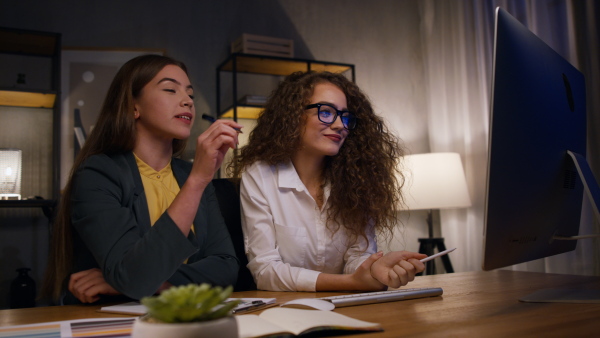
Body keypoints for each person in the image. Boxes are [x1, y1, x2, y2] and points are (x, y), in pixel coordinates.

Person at [42, 54, 243, 304]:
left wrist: (146, 283)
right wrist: (198, 180)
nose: (187, 101)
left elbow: (226, 268)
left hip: (184, 315)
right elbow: (134, 277)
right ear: (132, 106)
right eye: (170, 89)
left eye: (190, 94)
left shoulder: (189, 175)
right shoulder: (98, 173)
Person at [230, 71, 427, 292]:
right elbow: (265, 271)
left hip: (347, 307)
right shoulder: (260, 175)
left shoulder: (358, 179)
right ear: (293, 114)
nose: (339, 125)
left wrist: (374, 269)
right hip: (286, 312)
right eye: (326, 112)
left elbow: (357, 256)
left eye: (345, 116)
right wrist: (351, 283)